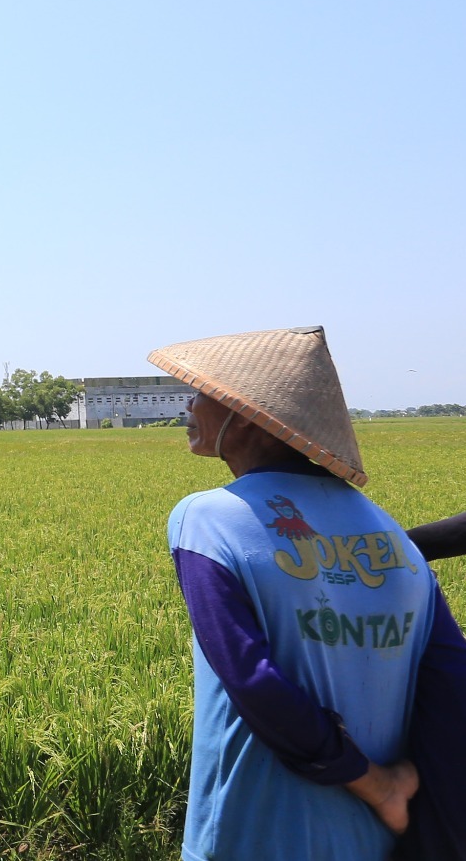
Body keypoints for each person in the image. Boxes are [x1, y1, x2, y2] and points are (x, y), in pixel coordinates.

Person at [152, 326, 466, 860]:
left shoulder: (207, 519)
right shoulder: (389, 534)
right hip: (376, 840)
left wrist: (373, 782)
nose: (188, 403)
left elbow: (252, 680)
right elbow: (452, 675)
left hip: (249, 833)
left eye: (200, 391)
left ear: (244, 413)